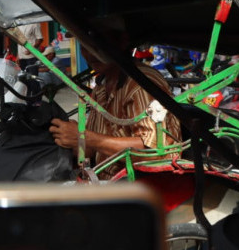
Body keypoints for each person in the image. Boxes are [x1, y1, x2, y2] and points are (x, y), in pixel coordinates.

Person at [49, 20, 181, 179]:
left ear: (123, 42)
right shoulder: (101, 86)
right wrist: (70, 138)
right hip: (104, 183)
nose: (90, 54)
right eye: (85, 47)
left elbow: (151, 152)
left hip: (144, 187)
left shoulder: (141, 84)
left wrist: (84, 137)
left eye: (98, 44)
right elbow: (92, 149)